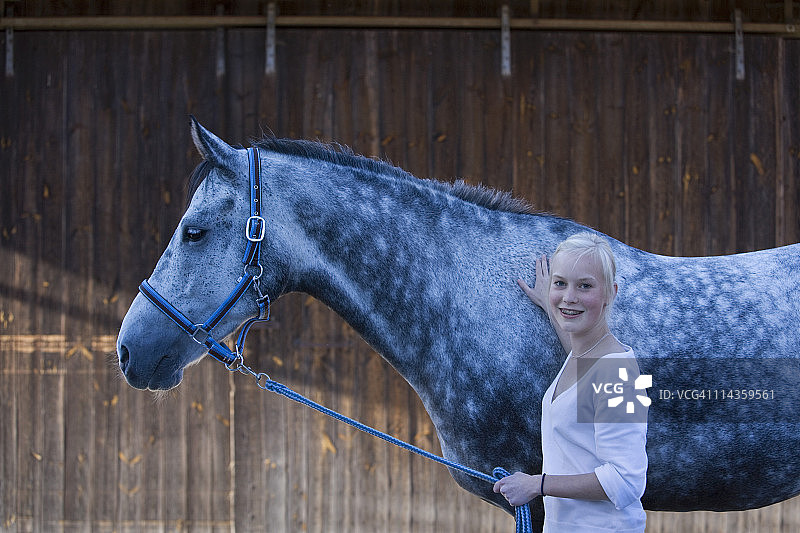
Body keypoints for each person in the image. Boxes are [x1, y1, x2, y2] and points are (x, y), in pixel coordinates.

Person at [493, 232, 648, 533]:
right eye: (560, 283)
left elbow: (626, 481)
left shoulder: (618, 374)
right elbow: (584, 380)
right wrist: (552, 306)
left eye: (585, 286)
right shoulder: (583, 355)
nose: (569, 297)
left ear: (611, 293)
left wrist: (537, 484)